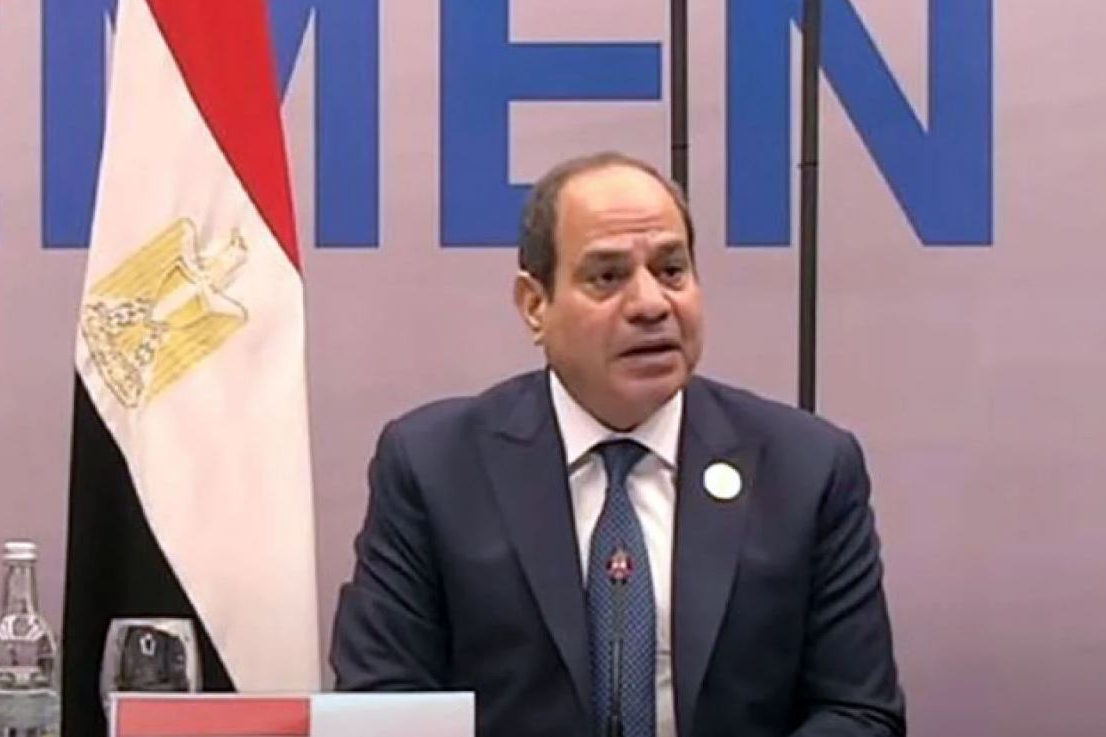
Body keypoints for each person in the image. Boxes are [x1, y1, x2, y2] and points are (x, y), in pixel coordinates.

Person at [330, 152, 906, 737]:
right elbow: (383, 704)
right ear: (535, 305)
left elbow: (858, 713)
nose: (652, 304)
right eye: (607, 277)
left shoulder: (807, 469)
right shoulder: (436, 468)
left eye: (672, 270)